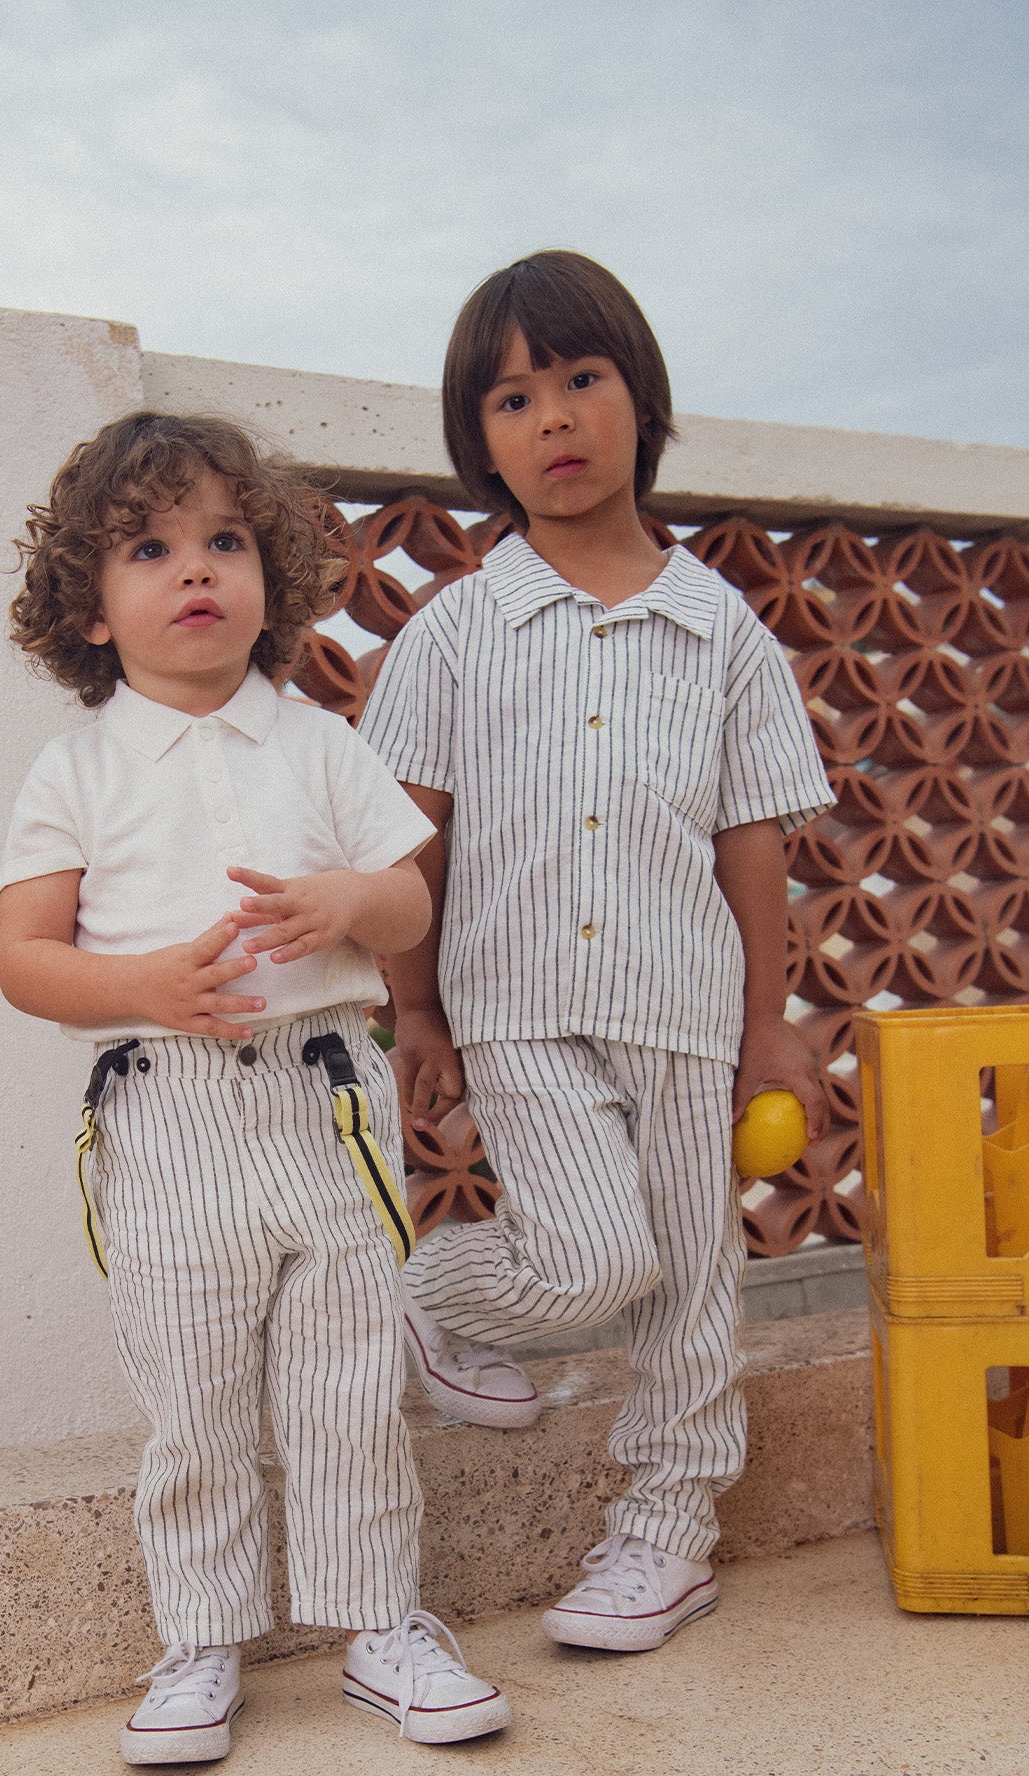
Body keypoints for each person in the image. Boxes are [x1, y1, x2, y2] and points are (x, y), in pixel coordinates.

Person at [0, 410, 511, 1762]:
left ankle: (380, 1628)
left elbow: (406, 906)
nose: (195, 570)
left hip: (323, 1101)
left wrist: (357, 895)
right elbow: (25, 960)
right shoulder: (79, 769)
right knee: (194, 1396)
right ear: (91, 610)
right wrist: (145, 988)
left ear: (269, 574)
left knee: (345, 1381)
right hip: (162, 1111)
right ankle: (199, 1640)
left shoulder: (320, 748)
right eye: (150, 549)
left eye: (225, 539)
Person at [359, 251, 834, 1653]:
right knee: (591, 1259)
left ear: (642, 399)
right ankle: (436, 1291)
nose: (553, 418)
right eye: (512, 398)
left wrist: (771, 1021)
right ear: (479, 440)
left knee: (693, 1281)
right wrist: (417, 1009)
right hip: (515, 1004)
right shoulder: (455, 630)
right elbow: (413, 832)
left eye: (581, 379)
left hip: (688, 1008)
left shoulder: (721, 631)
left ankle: (668, 1533)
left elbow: (754, 842)